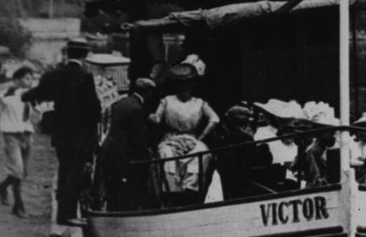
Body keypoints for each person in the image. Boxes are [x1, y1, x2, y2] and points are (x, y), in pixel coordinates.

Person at [22, 38, 102, 237]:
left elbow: (39, 93)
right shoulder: (86, 77)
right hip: (80, 135)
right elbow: (94, 110)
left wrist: (24, 95)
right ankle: (67, 216)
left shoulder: (55, 75)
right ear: (85, 55)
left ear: (67, 53)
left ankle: (62, 216)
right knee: (75, 174)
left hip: (61, 133)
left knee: (65, 170)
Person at [150, 62, 220, 204]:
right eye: (180, 84)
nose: (184, 88)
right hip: (171, 139)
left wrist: (200, 138)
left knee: (202, 153)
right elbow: (157, 117)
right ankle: (172, 192)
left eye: (187, 84)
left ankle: (191, 190)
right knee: (166, 154)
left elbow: (215, 119)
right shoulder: (167, 100)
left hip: (192, 139)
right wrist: (154, 119)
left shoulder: (199, 103)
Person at [96, 78, 160, 211]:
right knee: (127, 188)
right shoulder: (137, 108)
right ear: (148, 93)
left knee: (113, 189)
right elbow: (137, 138)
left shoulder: (122, 102)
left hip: (110, 149)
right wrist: (147, 155)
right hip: (122, 153)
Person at [0, 66, 37, 217]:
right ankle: (18, 206)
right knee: (17, 169)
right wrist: (6, 92)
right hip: (11, 135)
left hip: (27, 135)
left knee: (21, 171)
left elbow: (40, 110)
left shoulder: (31, 95)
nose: (30, 81)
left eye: (31, 78)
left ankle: (2, 188)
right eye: (27, 78)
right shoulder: (9, 94)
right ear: (17, 79)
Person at [207, 104, 273, 199]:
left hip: (236, 178)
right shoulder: (242, 137)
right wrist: (264, 148)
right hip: (243, 181)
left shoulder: (226, 136)